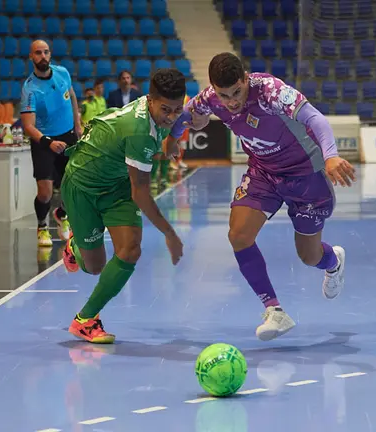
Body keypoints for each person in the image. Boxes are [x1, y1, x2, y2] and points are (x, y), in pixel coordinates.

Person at [177, 52, 357, 341]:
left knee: (309, 256)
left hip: (306, 175)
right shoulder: (210, 98)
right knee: (238, 236)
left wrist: (331, 156)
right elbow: (188, 115)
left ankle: (333, 262)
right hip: (264, 173)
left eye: (237, 91)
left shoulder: (271, 92)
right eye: (224, 96)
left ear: (245, 79)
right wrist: (176, 135)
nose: (232, 101)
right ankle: (274, 311)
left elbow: (315, 119)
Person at [61, 68, 187, 344]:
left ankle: (85, 320)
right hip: (83, 185)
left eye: (178, 109)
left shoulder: (163, 112)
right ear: (150, 100)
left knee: (130, 250)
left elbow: (183, 117)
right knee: (94, 267)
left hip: (115, 183)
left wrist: (172, 140)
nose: (172, 116)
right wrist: (170, 233)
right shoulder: (138, 129)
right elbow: (141, 193)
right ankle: (75, 246)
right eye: (166, 109)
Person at [20, 40, 81, 247]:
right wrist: (48, 142)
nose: (43, 56)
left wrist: (78, 125)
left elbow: (71, 96)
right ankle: (42, 227)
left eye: (46, 52)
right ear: (31, 57)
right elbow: (28, 126)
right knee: (45, 192)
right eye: (38, 53)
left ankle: (62, 215)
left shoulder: (62, 72)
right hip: (43, 140)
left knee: (72, 188)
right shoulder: (30, 89)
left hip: (68, 136)